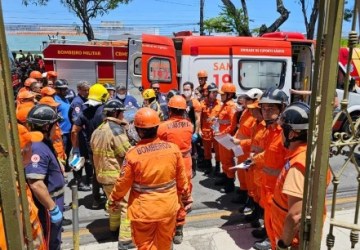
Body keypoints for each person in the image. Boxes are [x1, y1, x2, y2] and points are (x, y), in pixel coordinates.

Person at [107, 107, 191, 250]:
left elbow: (122, 183)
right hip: (168, 208)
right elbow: (182, 179)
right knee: (165, 243)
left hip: (144, 211)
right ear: (157, 128)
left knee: (145, 245)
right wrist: (186, 197)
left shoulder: (133, 154)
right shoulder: (173, 149)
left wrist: (114, 200)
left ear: (139, 131)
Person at [270, 102, 331, 249]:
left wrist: (283, 244)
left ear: (291, 134)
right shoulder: (308, 154)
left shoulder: (298, 165)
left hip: (293, 242)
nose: (280, 133)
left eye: (282, 129)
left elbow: (295, 216)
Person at [90, 99, 134, 249]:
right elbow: (126, 152)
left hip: (102, 176)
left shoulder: (98, 129)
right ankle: (126, 240)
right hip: (116, 176)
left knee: (113, 204)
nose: (123, 115)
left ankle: (113, 230)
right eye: (122, 112)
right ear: (116, 113)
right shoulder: (115, 130)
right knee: (126, 206)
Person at [252, 87, 289, 250]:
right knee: (268, 216)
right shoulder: (270, 130)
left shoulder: (285, 134)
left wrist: (256, 159)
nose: (266, 112)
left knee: (276, 223)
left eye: (271, 108)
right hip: (267, 186)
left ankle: (271, 239)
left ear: (282, 109)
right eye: (264, 108)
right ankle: (268, 233)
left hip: (277, 190)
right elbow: (267, 153)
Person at [25, 104, 65, 250]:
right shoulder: (38, 148)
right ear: (46, 126)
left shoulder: (43, 143)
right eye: (55, 124)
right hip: (47, 205)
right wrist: (52, 208)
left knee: (54, 240)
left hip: (53, 200)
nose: (57, 127)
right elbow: (35, 183)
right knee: (49, 241)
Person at [0, 124, 47, 250]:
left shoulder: (16, 182)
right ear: (22, 152)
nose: (33, 150)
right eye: (30, 146)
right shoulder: (10, 193)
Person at [157, 95, 194, 244]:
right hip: (186, 163)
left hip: (171, 164)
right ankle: (179, 228)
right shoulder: (189, 125)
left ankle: (173, 227)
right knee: (183, 195)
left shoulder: (163, 126)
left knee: (169, 195)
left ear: (170, 110)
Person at [71, 83, 109, 209]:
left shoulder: (84, 111)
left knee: (96, 173)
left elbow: (74, 130)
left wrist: (75, 149)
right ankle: (109, 197)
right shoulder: (105, 111)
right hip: (106, 147)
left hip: (91, 149)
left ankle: (96, 200)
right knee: (109, 172)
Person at [231, 88, 263, 204]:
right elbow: (240, 128)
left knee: (250, 178)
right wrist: (235, 137)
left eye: (249, 99)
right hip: (240, 149)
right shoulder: (246, 112)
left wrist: (240, 142)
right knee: (241, 174)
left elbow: (255, 140)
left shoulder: (257, 116)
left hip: (248, 150)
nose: (246, 101)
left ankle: (250, 199)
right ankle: (243, 193)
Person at [213, 83, 237, 193]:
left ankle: (230, 183)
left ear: (229, 95)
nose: (220, 96)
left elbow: (232, 125)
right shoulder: (225, 105)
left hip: (227, 137)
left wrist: (222, 133)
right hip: (222, 136)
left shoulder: (231, 106)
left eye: (223, 94)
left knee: (228, 160)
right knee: (223, 159)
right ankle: (225, 177)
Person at [70, 81, 92, 191]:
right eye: (85, 90)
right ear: (78, 90)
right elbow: (76, 121)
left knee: (86, 159)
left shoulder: (85, 100)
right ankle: (78, 182)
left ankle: (88, 179)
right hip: (78, 135)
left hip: (84, 136)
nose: (87, 92)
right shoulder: (77, 103)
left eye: (88, 90)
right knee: (77, 159)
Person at [199, 82, 222, 174]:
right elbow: (199, 119)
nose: (215, 94)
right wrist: (199, 130)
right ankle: (208, 166)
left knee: (218, 150)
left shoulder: (219, 104)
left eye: (216, 92)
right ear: (208, 93)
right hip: (206, 131)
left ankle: (217, 166)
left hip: (216, 132)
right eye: (213, 92)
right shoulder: (202, 104)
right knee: (207, 151)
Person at [182, 81, 202, 177]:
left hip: (191, 130)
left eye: (188, 89)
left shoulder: (195, 103)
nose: (186, 91)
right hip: (182, 130)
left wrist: (196, 133)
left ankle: (193, 169)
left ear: (192, 90)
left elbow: (198, 119)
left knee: (192, 151)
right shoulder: (181, 100)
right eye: (184, 89)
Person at [54, 79, 72, 170]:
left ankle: (66, 165)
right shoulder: (55, 100)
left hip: (69, 130)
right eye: (63, 89)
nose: (65, 91)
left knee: (68, 150)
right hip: (62, 131)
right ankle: (60, 169)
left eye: (65, 89)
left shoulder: (66, 99)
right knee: (61, 151)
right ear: (57, 90)